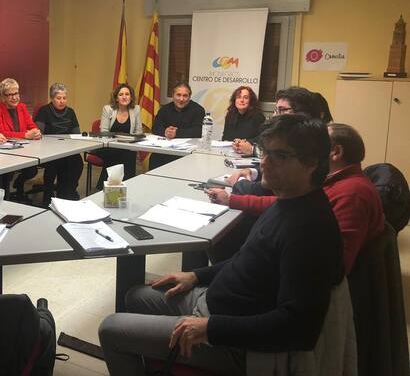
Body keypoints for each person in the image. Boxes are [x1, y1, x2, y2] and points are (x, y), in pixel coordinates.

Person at [98, 114, 343, 376]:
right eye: (265, 152)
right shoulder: (288, 201)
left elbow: (299, 329)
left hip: (236, 343)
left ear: (311, 164)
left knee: (111, 328)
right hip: (215, 303)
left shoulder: (310, 230)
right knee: (136, 296)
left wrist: (210, 328)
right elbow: (245, 259)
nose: (264, 162)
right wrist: (196, 275)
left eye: (279, 156)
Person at [208, 123, 384, 274]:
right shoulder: (336, 181)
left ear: (336, 152)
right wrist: (231, 200)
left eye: (316, 146)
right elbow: (283, 204)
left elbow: (337, 265)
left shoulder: (353, 193)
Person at [231, 86, 321, 156]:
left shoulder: (308, 135)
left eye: (281, 110)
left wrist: (252, 150)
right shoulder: (285, 130)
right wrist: (245, 143)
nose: (274, 116)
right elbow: (261, 139)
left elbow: (280, 158)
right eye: (276, 110)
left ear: (301, 112)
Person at [0, 78, 40, 202]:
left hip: (24, 149)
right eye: (10, 95)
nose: (14, 97)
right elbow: (1, 133)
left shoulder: (22, 107)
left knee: (32, 169)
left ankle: (19, 184)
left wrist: (36, 132)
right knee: (7, 172)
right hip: (5, 152)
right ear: (3, 97)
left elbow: (32, 126)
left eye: (16, 93)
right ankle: (6, 199)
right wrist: (26, 135)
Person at [35, 83, 84, 206]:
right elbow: (38, 133)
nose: (62, 101)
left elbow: (77, 133)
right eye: (58, 98)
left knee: (77, 162)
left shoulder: (71, 112)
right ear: (52, 98)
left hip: (66, 149)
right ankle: (48, 195)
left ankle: (67, 193)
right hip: (48, 150)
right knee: (54, 162)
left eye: (64, 98)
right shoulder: (44, 111)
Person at [149, 82, 205, 170]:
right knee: (154, 159)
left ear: (189, 97)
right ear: (172, 95)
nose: (181, 99)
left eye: (185, 96)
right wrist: (165, 132)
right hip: (164, 152)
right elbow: (155, 128)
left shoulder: (198, 110)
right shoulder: (164, 109)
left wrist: (177, 133)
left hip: (187, 154)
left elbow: (198, 131)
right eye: (178, 95)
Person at [96, 83, 143, 188]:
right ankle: (111, 186)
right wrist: (116, 141)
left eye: (127, 94)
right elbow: (104, 132)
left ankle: (121, 185)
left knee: (128, 153)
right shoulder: (108, 109)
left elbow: (139, 132)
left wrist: (129, 140)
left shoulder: (136, 109)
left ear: (131, 97)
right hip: (111, 146)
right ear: (116, 98)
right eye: (121, 94)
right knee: (119, 154)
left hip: (128, 146)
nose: (124, 97)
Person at [221, 86, 265, 155]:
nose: (241, 100)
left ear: (251, 101)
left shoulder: (258, 117)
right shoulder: (230, 115)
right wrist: (235, 143)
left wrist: (246, 142)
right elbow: (225, 138)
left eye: (246, 98)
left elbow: (262, 138)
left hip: (248, 154)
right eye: (239, 97)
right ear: (234, 100)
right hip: (231, 152)